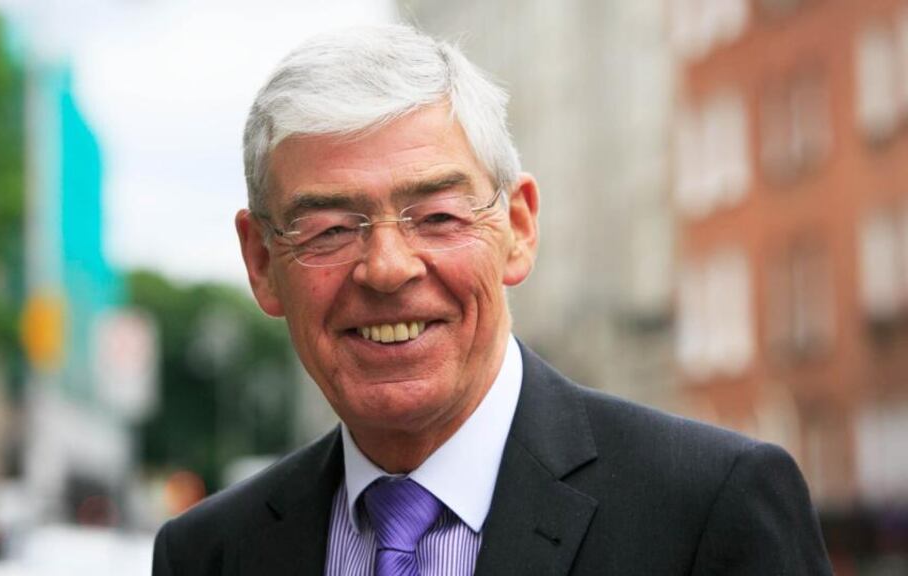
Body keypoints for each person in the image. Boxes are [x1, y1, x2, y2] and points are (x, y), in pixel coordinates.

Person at [152, 24, 832, 576]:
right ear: (262, 262)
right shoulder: (208, 557)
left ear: (519, 228)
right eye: (329, 229)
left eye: (438, 216)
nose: (387, 269)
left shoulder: (710, 511)